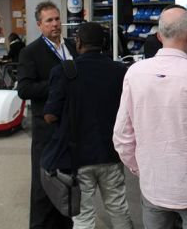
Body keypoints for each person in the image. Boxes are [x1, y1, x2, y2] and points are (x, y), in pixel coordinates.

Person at [113, 6, 187, 229]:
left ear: (159, 36)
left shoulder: (134, 73)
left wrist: (143, 170)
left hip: (154, 187)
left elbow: (122, 137)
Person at [42, 22, 133, 229]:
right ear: (103, 43)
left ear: (78, 42)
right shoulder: (120, 71)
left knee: (83, 217)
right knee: (119, 208)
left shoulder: (64, 71)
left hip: (77, 157)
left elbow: (50, 116)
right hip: (111, 154)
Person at [17, 0, 76, 229]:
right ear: (39, 25)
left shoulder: (72, 46)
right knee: (43, 186)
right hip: (46, 130)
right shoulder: (30, 52)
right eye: (49, 20)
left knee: (68, 184)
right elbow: (24, 89)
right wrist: (57, 84)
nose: (55, 24)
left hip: (72, 128)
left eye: (57, 19)